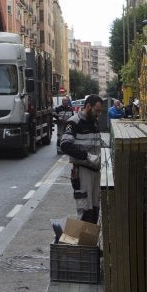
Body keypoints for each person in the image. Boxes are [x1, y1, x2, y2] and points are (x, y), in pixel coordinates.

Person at [60, 94, 103, 224]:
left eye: (100, 111)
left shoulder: (93, 121)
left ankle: (90, 239)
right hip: (83, 171)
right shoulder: (74, 122)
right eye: (97, 110)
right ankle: (84, 241)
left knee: (95, 207)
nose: (98, 114)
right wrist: (87, 157)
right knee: (85, 209)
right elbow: (65, 145)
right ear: (88, 106)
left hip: (95, 170)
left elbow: (96, 141)